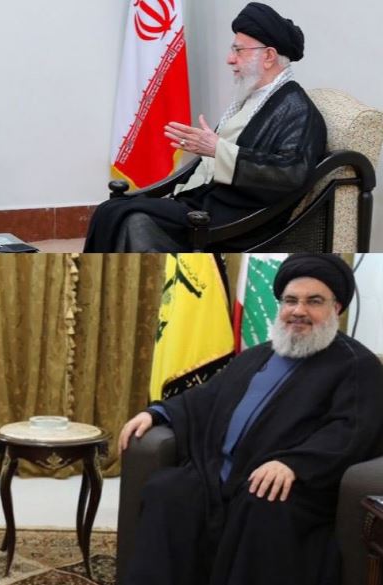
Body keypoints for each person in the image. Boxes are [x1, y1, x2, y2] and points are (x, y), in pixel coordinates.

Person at [118, 254, 383, 585]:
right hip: (219, 473)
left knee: (262, 507)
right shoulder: (259, 354)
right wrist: (157, 412)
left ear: (337, 308)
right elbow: (206, 397)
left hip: (287, 484)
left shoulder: (356, 365)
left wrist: (294, 464)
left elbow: (352, 430)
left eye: (314, 301)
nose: (299, 310)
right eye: (290, 301)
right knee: (168, 491)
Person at [84, 3, 327, 252]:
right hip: (205, 200)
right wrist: (211, 149)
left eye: (238, 50)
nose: (230, 59)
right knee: (110, 211)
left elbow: (291, 173)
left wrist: (217, 149)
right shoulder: (254, 97)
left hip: (238, 217)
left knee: (130, 218)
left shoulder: (298, 110)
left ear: (268, 56)